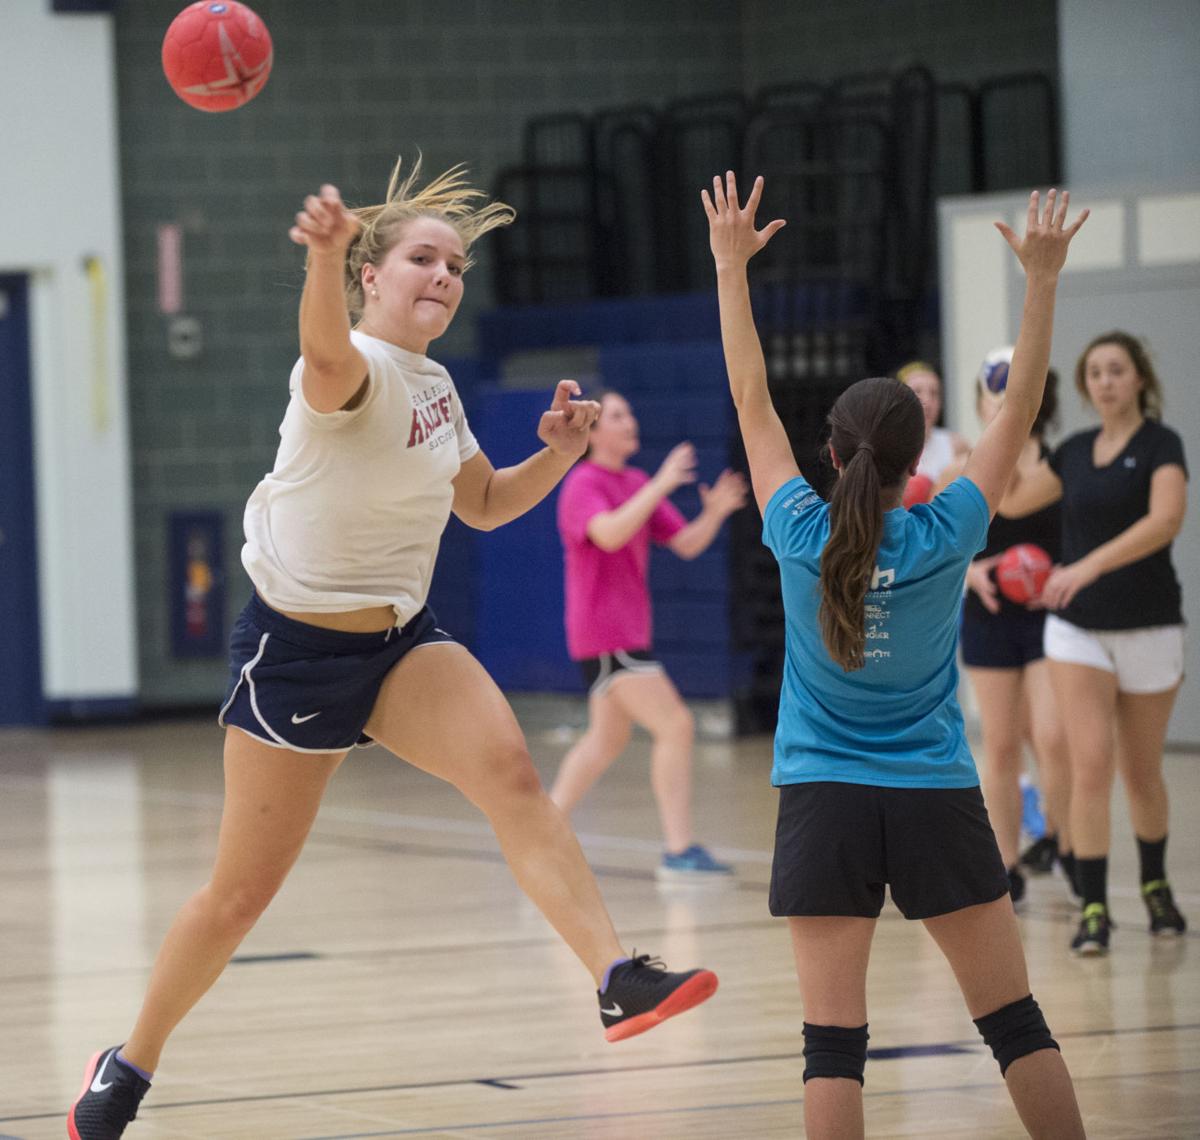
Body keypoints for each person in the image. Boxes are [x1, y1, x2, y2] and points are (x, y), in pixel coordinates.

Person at [68, 158, 717, 1140]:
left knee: (510, 774)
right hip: (294, 653)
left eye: (455, 265)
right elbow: (324, 354)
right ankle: (131, 1060)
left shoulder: (437, 386)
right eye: (424, 257)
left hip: (402, 642)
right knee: (238, 897)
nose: (445, 277)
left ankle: (616, 978)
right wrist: (320, 261)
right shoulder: (348, 367)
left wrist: (561, 451)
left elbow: (488, 505)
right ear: (374, 275)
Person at [704, 170, 1087, 1138]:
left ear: (830, 454)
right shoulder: (949, 526)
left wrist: (730, 267)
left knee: (833, 1047)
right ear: (923, 458)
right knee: (1014, 1024)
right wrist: (1041, 282)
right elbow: (1021, 408)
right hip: (935, 795)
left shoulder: (797, 527)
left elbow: (748, 392)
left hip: (822, 795)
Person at [1003, 330, 1188, 955]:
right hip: (1077, 631)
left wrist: (1087, 565)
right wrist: (1006, 423)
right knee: (1090, 769)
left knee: (1141, 775)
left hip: (1150, 626)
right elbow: (1010, 499)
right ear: (1085, 388)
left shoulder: (1163, 445)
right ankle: (1094, 908)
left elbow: (1164, 523)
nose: (1105, 381)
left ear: (1139, 379)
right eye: (1095, 373)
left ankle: (1156, 884)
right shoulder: (1073, 451)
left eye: (1116, 370)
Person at [549, 390, 748, 879]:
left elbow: (684, 543)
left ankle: (543, 828)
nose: (630, 421)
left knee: (606, 740)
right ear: (594, 433)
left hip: (626, 635)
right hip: (605, 634)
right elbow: (611, 533)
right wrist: (660, 484)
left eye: (630, 412)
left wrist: (715, 513)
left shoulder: (635, 481)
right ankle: (678, 851)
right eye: (617, 416)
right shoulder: (582, 484)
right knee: (676, 724)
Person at [935, 350, 1072, 910]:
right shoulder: (953, 471)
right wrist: (975, 569)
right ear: (978, 399)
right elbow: (943, 547)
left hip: (1046, 617)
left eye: (1013, 388)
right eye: (993, 388)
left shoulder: (1059, 465)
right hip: (989, 617)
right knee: (1000, 745)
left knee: (1052, 735)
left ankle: (1064, 841)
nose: (1002, 396)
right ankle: (1007, 864)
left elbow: (1012, 494)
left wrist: (1001, 441)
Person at [895, 359, 969, 485]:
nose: (927, 402)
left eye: (934, 393)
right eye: (917, 391)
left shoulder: (956, 445)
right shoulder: (884, 447)